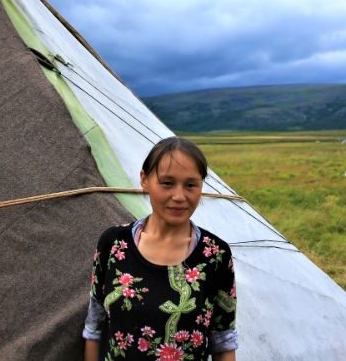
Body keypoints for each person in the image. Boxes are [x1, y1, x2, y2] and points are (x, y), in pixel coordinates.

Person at [83, 137, 238, 361]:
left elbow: (223, 341)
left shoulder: (215, 255)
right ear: (144, 179)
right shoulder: (114, 244)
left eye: (190, 185)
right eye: (167, 183)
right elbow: (94, 326)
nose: (179, 196)